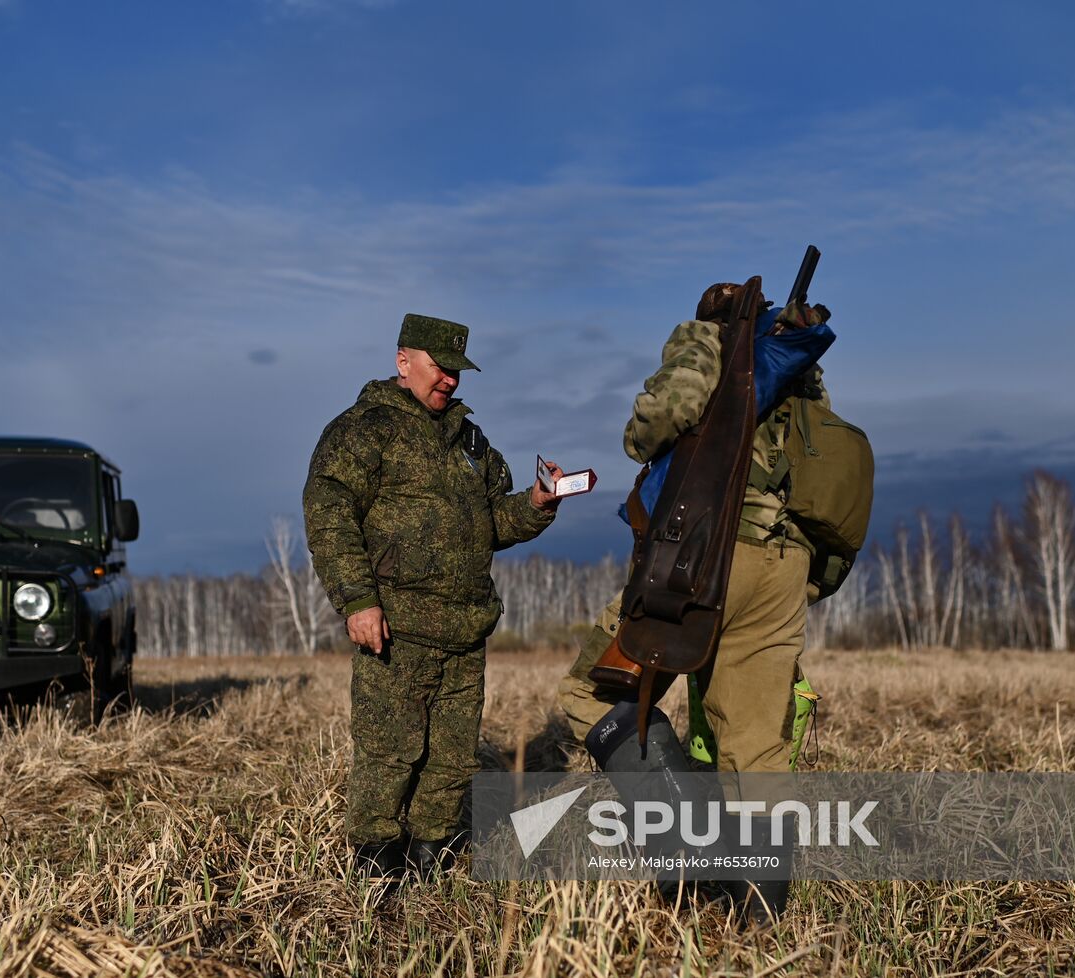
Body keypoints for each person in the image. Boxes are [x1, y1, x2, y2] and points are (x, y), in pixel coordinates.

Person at [556, 284, 832, 920]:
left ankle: (689, 852)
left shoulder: (710, 339)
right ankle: (761, 915)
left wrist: (641, 431)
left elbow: (661, 416)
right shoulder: (804, 373)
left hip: (704, 557)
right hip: (785, 563)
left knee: (591, 689)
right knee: (755, 744)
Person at [304, 313, 563, 879]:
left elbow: (495, 519)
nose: (450, 381)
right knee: (389, 755)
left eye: (458, 372)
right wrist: (357, 600)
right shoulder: (361, 429)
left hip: (465, 629)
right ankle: (377, 876)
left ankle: (432, 867)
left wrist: (538, 504)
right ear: (404, 361)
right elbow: (329, 516)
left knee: (449, 761)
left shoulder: (471, 440)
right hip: (397, 627)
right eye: (440, 369)